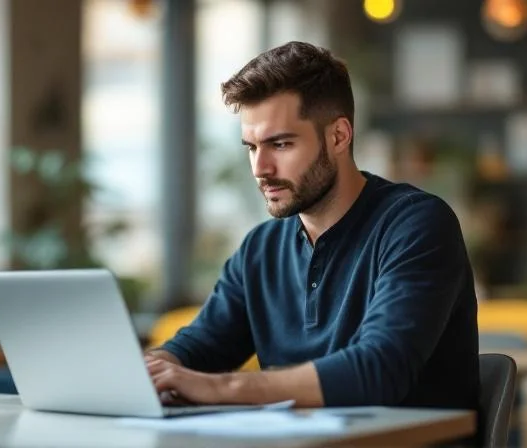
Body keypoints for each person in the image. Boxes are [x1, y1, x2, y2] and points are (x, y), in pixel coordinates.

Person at [145, 41, 480, 412]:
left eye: (280, 144)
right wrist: (148, 372)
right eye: (252, 147)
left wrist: (221, 386)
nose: (260, 168)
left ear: (338, 136)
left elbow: (379, 370)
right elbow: (197, 348)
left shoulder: (417, 225)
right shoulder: (260, 248)